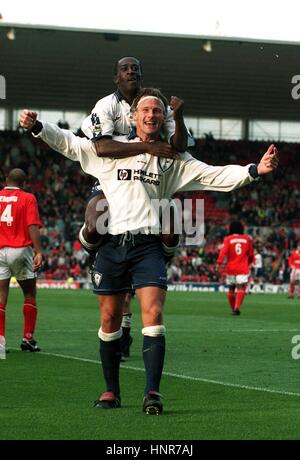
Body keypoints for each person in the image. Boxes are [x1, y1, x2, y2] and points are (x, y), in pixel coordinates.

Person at [19, 89, 278, 414]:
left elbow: (212, 174)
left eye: (157, 110)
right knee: (110, 317)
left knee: (153, 313)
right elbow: (73, 145)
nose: (151, 115)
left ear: (163, 118)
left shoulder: (172, 158)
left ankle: (152, 392)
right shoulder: (110, 150)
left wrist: (254, 170)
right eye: (146, 110)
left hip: (148, 246)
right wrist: (38, 127)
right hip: (113, 244)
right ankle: (111, 391)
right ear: (134, 116)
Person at [79, 57, 190, 358]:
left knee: (174, 224)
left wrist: (177, 117)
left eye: (136, 70)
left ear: (142, 76)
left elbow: (178, 147)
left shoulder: (156, 108)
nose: (131, 73)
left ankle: (159, 257)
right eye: (125, 70)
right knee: (96, 219)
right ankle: (93, 252)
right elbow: (101, 147)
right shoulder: (106, 106)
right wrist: (147, 146)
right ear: (116, 77)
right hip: (113, 176)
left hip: (151, 180)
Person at [0, 168, 43, 356]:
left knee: (1, 297)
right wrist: (38, 250)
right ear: (23, 184)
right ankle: (27, 338)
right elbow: (32, 225)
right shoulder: (27, 198)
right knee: (29, 293)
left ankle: (0, 342)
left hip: (0, 250)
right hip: (20, 249)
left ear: (6, 180)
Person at [216, 221, 254, 315]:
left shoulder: (228, 239)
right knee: (241, 287)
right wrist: (249, 263)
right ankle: (237, 307)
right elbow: (251, 254)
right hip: (242, 268)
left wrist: (219, 263)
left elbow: (223, 251)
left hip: (231, 268)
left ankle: (233, 308)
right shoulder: (247, 239)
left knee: (231, 289)